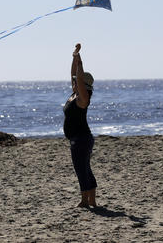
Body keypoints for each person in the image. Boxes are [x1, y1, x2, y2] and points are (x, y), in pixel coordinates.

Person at [63, 43, 97, 208]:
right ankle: (92, 200)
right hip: (79, 139)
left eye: (78, 81)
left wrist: (80, 64)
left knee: (81, 170)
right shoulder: (74, 93)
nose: (74, 81)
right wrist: (75, 57)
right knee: (85, 168)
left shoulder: (83, 98)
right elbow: (73, 73)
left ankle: (85, 201)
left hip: (81, 139)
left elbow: (79, 77)